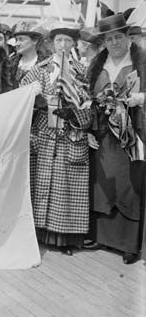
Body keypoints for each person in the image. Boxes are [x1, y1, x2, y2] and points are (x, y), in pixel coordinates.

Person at [20, 21, 91, 256]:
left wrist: (76, 113)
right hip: (45, 134)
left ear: (74, 44)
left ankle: (65, 239)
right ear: (52, 43)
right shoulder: (41, 69)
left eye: (67, 41)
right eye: (59, 40)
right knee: (42, 184)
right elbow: (21, 93)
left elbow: (92, 105)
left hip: (70, 135)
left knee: (66, 188)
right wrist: (36, 101)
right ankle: (40, 234)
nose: (63, 45)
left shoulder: (82, 71)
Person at [86, 14, 146, 264]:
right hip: (102, 133)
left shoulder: (140, 62)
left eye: (118, 37)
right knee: (103, 183)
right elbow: (87, 99)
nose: (114, 42)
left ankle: (129, 244)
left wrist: (139, 99)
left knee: (129, 184)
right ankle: (102, 236)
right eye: (109, 38)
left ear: (127, 38)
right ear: (104, 42)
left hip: (131, 132)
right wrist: (88, 129)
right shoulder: (97, 66)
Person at [9, 20, 46, 85]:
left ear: (35, 40)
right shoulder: (9, 63)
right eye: (16, 40)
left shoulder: (46, 64)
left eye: (21, 39)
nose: (17, 43)